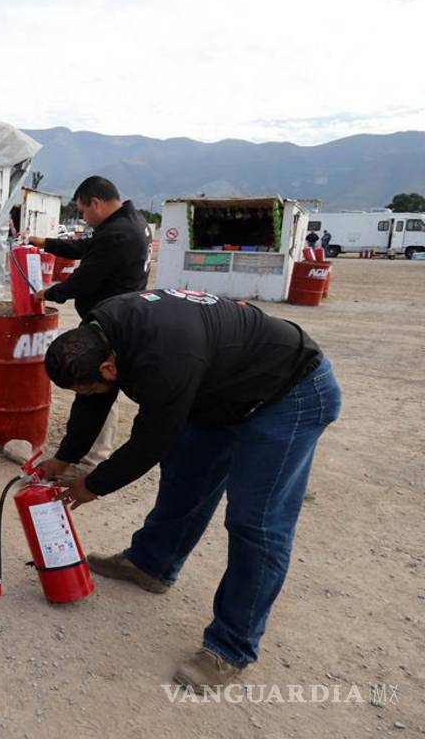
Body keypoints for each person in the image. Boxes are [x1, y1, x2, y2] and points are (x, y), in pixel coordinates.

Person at [38, 288, 341, 691]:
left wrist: (91, 485)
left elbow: (150, 441)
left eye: (90, 386)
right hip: (221, 391)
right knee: (185, 477)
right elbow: (94, 400)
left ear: (109, 368)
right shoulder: (102, 327)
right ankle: (151, 564)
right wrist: (65, 456)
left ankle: (231, 648)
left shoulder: (164, 360)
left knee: (256, 522)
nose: (90, 395)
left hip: (289, 393)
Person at [24, 177, 150, 468]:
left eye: (83, 210)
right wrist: (45, 243)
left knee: (96, 386)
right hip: (121, 315)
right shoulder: (131, 222)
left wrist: (51, 292)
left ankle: (91, 458)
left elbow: (85, 278)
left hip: (110, 325)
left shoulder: (117, 234)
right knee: (105, 388)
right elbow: (86, 248)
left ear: (96, 202)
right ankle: (95, 449)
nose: (83, 217)